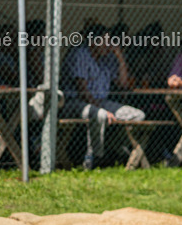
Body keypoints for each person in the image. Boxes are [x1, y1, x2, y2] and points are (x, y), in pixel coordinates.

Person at [62, 24, 145, 170]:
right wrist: (101, 109)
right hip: (76, 102)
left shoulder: (107, 58)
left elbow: (124, 84)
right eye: (106, 41)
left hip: (101, 101)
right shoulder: (81, 54)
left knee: (138, 116)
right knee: (99, 115)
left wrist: (119, 57)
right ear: (94, 41)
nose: (109, 45)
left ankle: (114, 148)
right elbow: (82, 91)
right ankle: (93, 159)